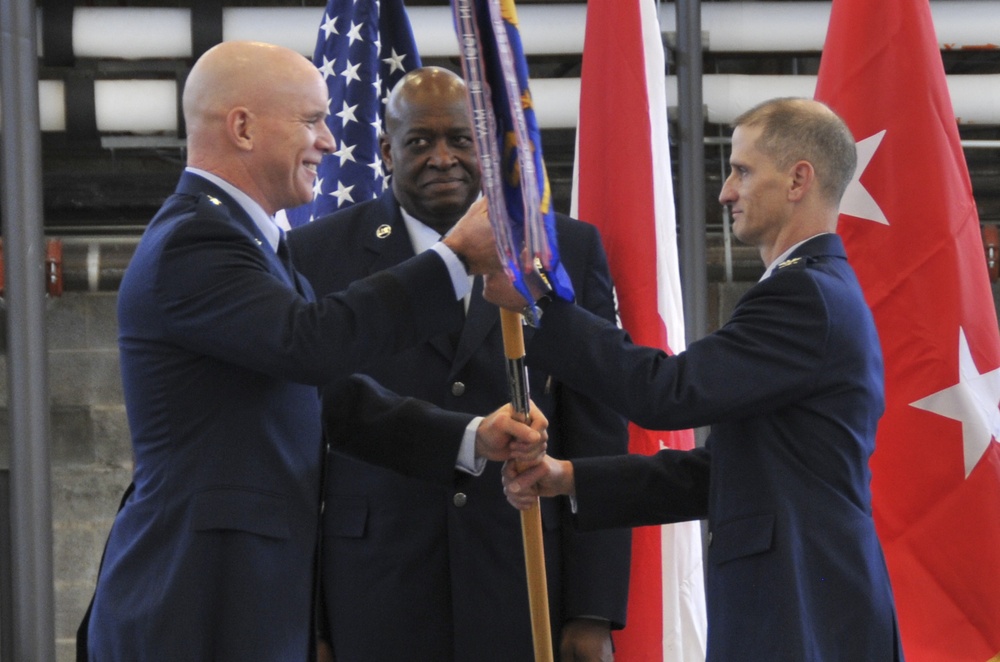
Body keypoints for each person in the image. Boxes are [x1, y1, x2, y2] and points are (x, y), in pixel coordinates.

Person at [83, 42, 546, 662]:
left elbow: (332, 399)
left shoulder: (251, 243)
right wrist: (455, 258)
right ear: (243, 127)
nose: (329, 141)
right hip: (196, 596)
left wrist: (468, 438)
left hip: (241, 593)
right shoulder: (197, 240)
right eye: (311, 120)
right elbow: (312, 344)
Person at [491, 98, 906, 661]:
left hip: (800, 603)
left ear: (797, 179)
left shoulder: (802, 295)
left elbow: (668, 392)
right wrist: (568, 477)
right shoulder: (817, 290)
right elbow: (724, 472)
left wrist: (541, 302)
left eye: (741, 170)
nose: (725, 192)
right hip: (804, 598)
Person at [289, 67, 630, 662]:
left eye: (461, 139)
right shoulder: (317, 254)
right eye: (420, 142)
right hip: (372, 592)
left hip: (522, 581)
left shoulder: (563, 248)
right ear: (387, 151)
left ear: (490, 147)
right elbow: (303, 446)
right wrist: (309, 622)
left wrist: (593, 609)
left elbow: (597, 427)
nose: (442, 158)